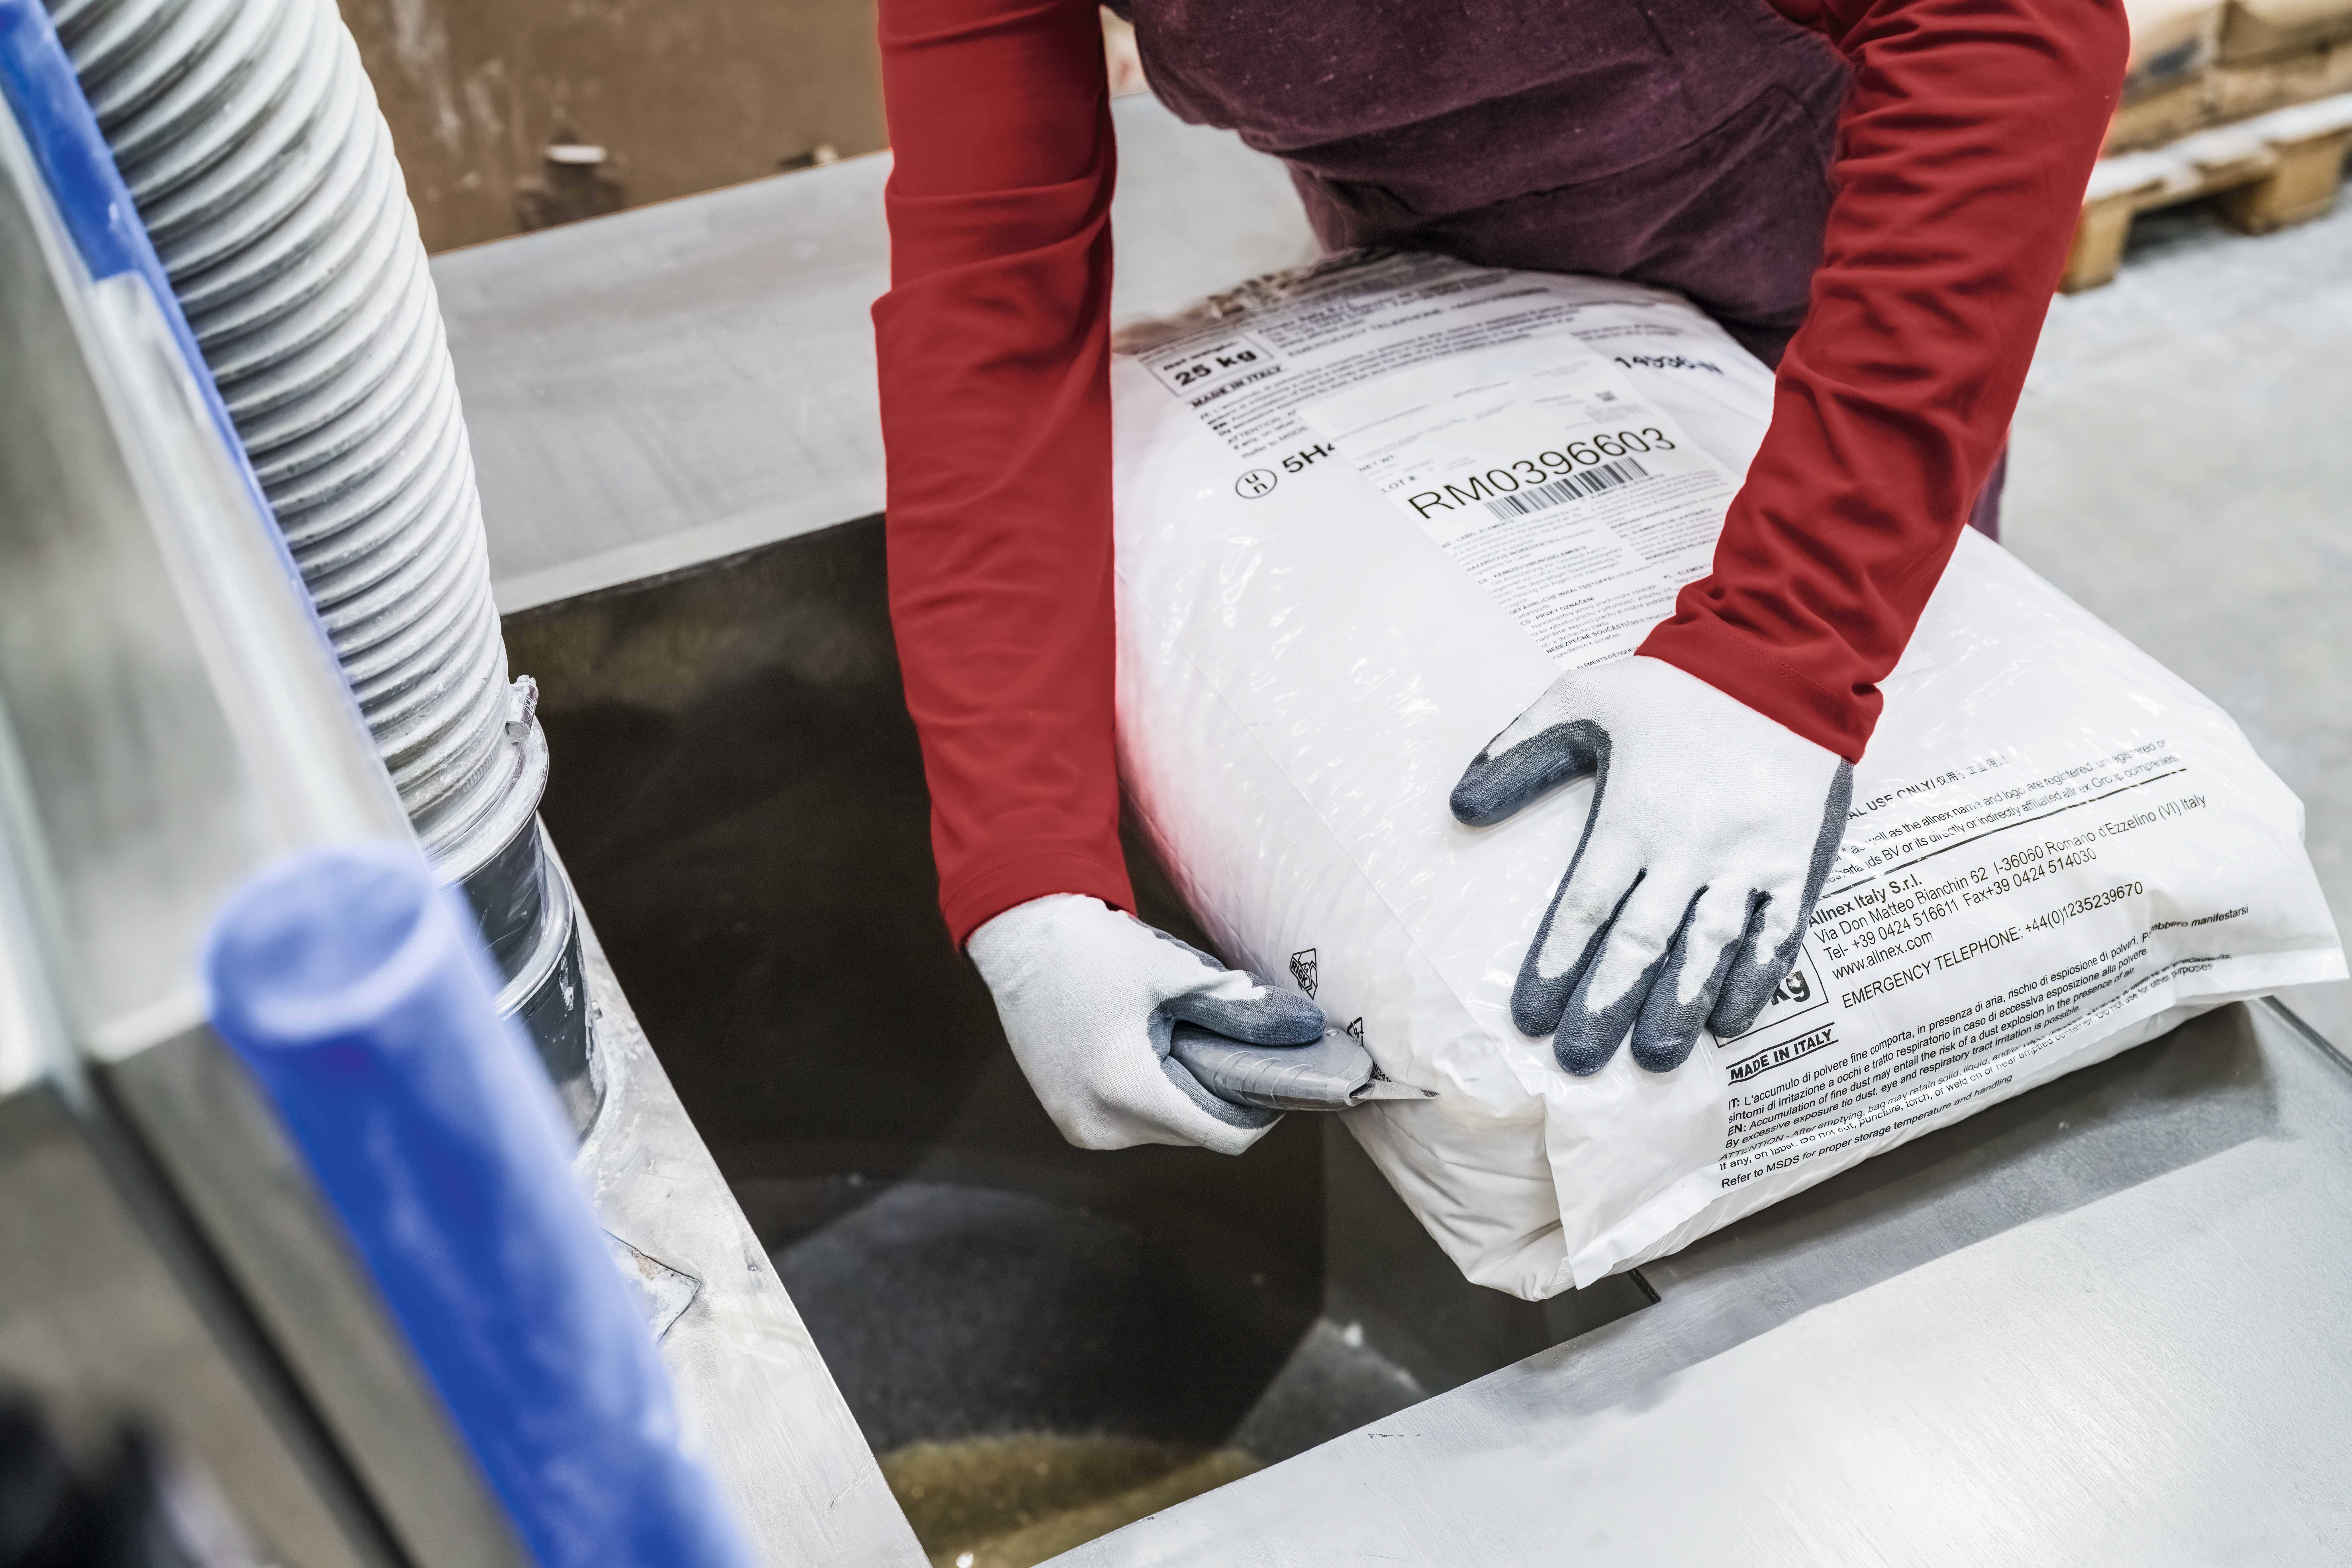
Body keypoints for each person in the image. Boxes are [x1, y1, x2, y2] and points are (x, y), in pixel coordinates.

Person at [873, 0, 2127, 1155]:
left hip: (1830, 326)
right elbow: (993, 289)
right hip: (1447, 313)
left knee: (1839, 908)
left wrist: (1785, 648)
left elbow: (2000, 23)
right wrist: (1029, 879)